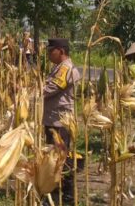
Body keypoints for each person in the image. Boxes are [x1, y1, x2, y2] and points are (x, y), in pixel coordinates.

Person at [43, 38, 80, 204]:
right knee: (55, 157)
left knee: (60, 159)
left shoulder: (65, 68)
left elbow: (51, 88)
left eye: (51, 51)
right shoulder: (58, 67)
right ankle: (58, 193)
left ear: (61, 51)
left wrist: (28, 92)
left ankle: (64, 196)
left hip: (60, 121)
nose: (49, 54)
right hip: (53, 119)